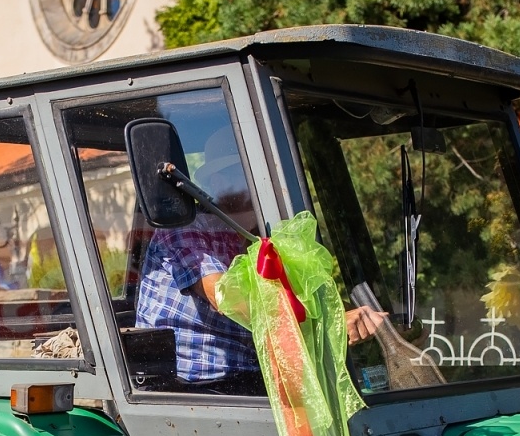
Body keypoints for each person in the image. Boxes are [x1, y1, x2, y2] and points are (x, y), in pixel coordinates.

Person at [136, 128, 384, 393]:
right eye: (246, 177)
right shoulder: (186, 229)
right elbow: (229, 299)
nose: (262, 187)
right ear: (219, 181)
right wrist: (330, 322)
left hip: (255, 381)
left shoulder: (263, 237)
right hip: (193, 388)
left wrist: (369, 321)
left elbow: (301, 297)